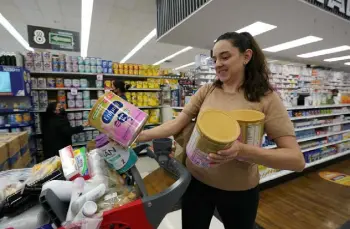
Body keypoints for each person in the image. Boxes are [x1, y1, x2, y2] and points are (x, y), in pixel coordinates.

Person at [137, 32, 305, 229]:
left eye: (225, 57)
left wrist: (242, 150)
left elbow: (296, 160)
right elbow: (176, 124)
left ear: (246, 56)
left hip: (239, 192)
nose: (217, 64)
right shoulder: (207, 90)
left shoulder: (266, 98)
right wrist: (139, 135)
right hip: (196, 183)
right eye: (214, 59)